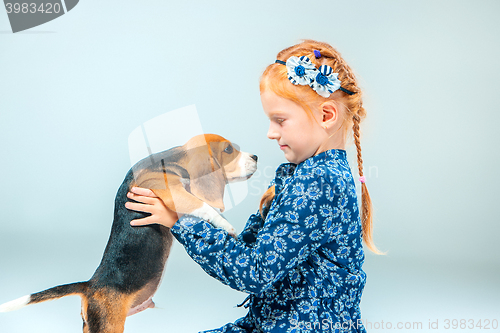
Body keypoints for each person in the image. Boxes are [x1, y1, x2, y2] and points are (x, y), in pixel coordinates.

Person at [125, 39, 380, 333]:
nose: (271, 133)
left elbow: (254, 272)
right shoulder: (301, 175)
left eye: (280, 120)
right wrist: (183, 210)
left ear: (327, 115)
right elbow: (247, 249)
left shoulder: (319, 183)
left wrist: (181, 221)